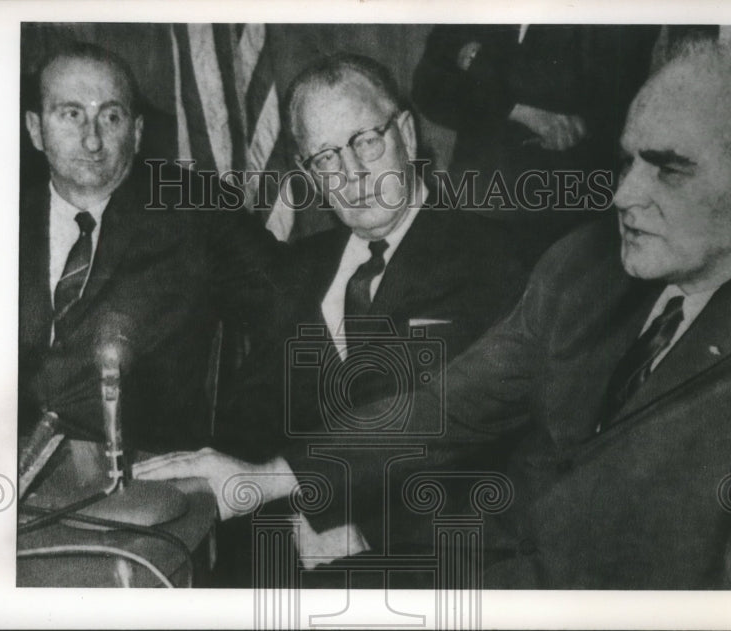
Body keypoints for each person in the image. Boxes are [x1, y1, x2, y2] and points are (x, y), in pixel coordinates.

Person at [137, 40, 731, 589]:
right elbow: (441, 408)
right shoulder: (585, 270)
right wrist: (265, 478)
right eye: (627, 162)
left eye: (668, 168)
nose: (623, 194)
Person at [208, 53, 526, 580]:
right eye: (327, 157)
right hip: (284, 558)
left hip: (426, 560)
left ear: (406, 132)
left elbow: (476, 445)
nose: (353, 175)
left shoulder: (492, 261)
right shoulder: (299, 271)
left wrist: (361, 528)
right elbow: (249, 421)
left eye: (366, 142)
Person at [19, 43, 282, 453]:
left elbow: (290, 305)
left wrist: (237, 447)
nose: (92, 140)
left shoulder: (195, 210)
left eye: (111, 116)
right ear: (36, 130)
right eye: (71, 114)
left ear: (137, 132)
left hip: (142, 479)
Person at [412, 25, 659, 266]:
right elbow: (428, 88)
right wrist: (518, 110)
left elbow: (596, 95)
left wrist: (479, 62)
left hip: (563, 211)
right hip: (473, 202)